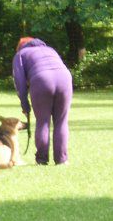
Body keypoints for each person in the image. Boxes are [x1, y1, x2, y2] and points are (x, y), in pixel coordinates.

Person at [12, 37, 73, 165]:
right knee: (61, 122)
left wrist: (25, 105)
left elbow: (20, 82)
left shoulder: (20, 55)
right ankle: (62, 160)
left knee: (43, 122)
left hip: (42, 80)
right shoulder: (50, 49)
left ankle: (41, 159)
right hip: (65, 78)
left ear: (20, 47)